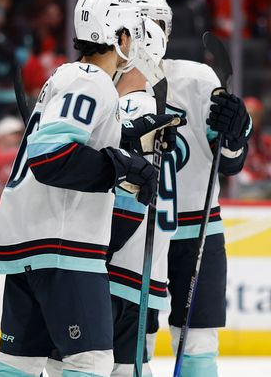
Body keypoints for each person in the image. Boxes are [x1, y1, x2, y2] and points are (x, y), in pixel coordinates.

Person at [0, 0, 163, 377]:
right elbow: (51, 155)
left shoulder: (65, 77)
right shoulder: (93, 81)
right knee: (90, 362)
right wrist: (123, 167)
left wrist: (125, 146)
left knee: (19, 362)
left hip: (31, 244)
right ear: (119, 36)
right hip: (65, 246)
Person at [134, 0, 252, 377]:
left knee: (198, 343)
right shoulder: (113, 84)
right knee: (134, 343)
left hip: (197, 228)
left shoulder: (198, 77)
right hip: (135, 233)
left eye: (157, 26)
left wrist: (234, 135)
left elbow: (231, 163)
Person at [106, 19, 182, 377]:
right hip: (147, 263)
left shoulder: (128, 107)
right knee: (130, 364)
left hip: (117, 258)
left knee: (80, 361)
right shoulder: (157, 108)